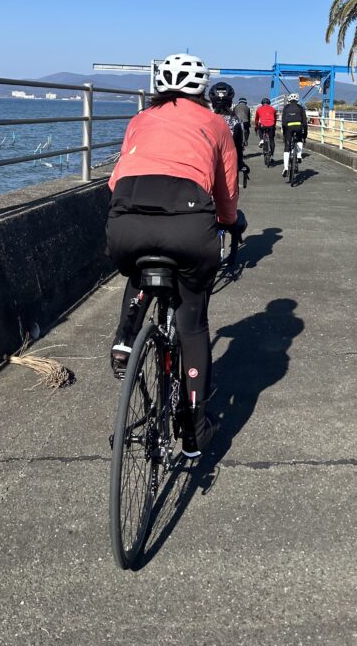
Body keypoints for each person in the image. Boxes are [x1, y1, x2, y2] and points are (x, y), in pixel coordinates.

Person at [106, 53, 246, 458]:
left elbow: (116, 179)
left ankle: (125, 341)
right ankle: (194, 430)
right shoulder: (215, 124)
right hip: (188, 229)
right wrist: (230, 221)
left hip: (126, 223)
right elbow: (226, 192)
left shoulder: (140, 120)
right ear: (203, 90)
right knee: (192, 323)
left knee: (139, 265)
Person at [209, 82, 245, 174]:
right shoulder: (236, 120)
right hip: (228, 166)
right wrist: (241, 164)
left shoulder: (205, 119)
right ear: (230, 102)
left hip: (207, 164)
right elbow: (239, 146)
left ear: (212, 102)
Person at [281, 93, 308, 176]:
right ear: (297, 100)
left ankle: (285, 168)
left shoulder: (286, 108)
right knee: (299, 139)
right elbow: (305, 122)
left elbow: (283, 122)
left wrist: (284, 133)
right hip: (299, 127)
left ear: (289, 100)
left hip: (288, 127)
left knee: (287, 147)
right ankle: (299, 156)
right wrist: (305, 135)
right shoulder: (301, 108)